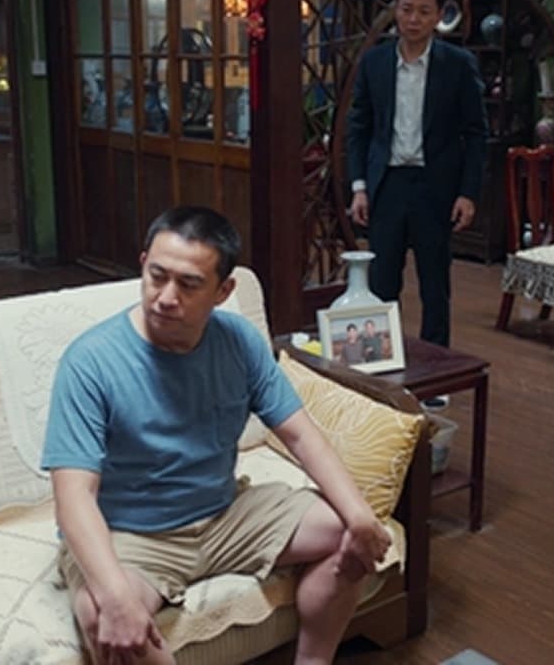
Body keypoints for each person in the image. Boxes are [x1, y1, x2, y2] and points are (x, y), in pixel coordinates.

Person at [42, 206, 391, 665]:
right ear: (143, 263)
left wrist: (360, 515)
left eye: (188, 284)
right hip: (131, 535)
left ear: (223, 291)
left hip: (225, 515)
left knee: (350, 530)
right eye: (156, 276)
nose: (166, 298)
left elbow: (302, 437)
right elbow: (73, 497)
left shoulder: (239, 341)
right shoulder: (90, 362)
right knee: (101, 613)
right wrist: (115, 596)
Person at [346, 0, 487, 350]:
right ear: (396, 9)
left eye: (424, 11)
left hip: (435, 187)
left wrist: (468, 193)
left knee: (434, 284)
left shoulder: (457, 65)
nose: (413, 19)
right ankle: (378, 359)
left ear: (439, 15)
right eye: (407, 9)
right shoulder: (374, 63)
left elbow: (476, 134)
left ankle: (437, 364)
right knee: (381, 281)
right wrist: (358, 187)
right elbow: (358, 129)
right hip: (386, 184)